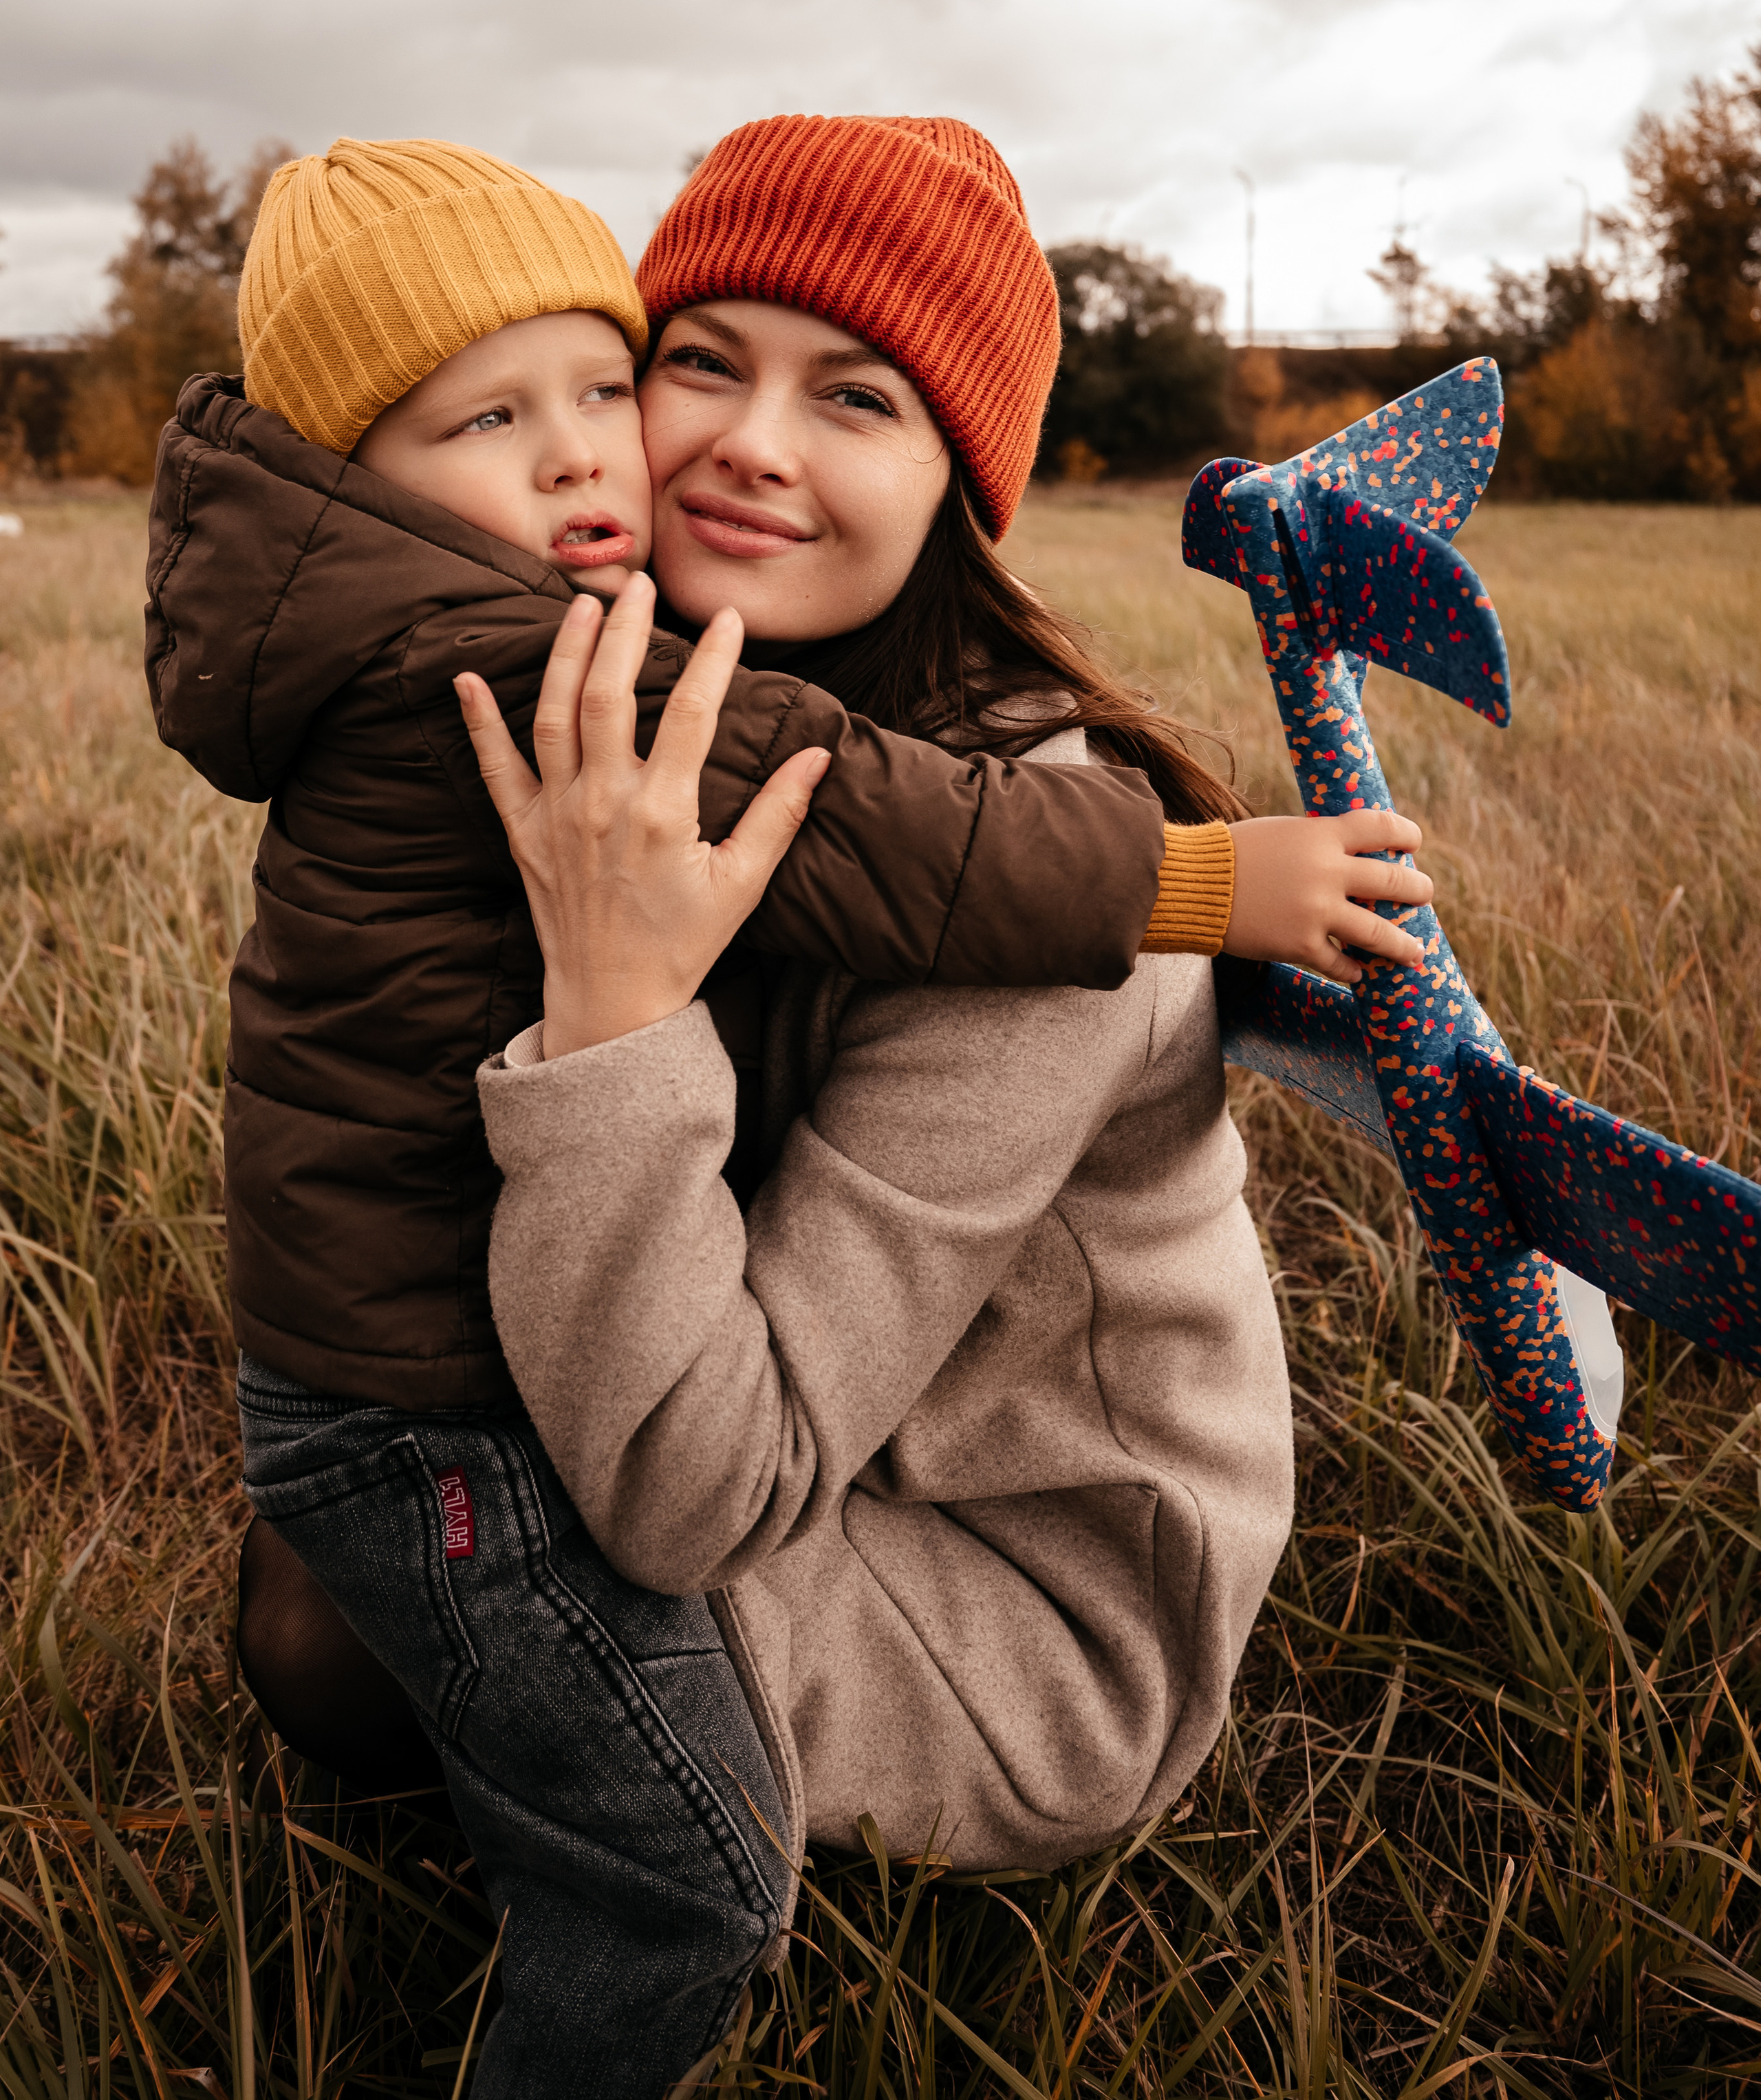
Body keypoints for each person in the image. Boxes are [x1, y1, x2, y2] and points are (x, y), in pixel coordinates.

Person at [151, 129, 1430, 2095]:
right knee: (330, 1599)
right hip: (776, 1419)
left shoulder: (1038, 902)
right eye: (699, 363)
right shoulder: (626, 684)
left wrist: (617, 1005)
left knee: (407, 1598)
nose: (748, 445)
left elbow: (695, 1495)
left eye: (857, 398)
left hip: (1010, 1615)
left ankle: (638, 1874)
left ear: (958, 485)